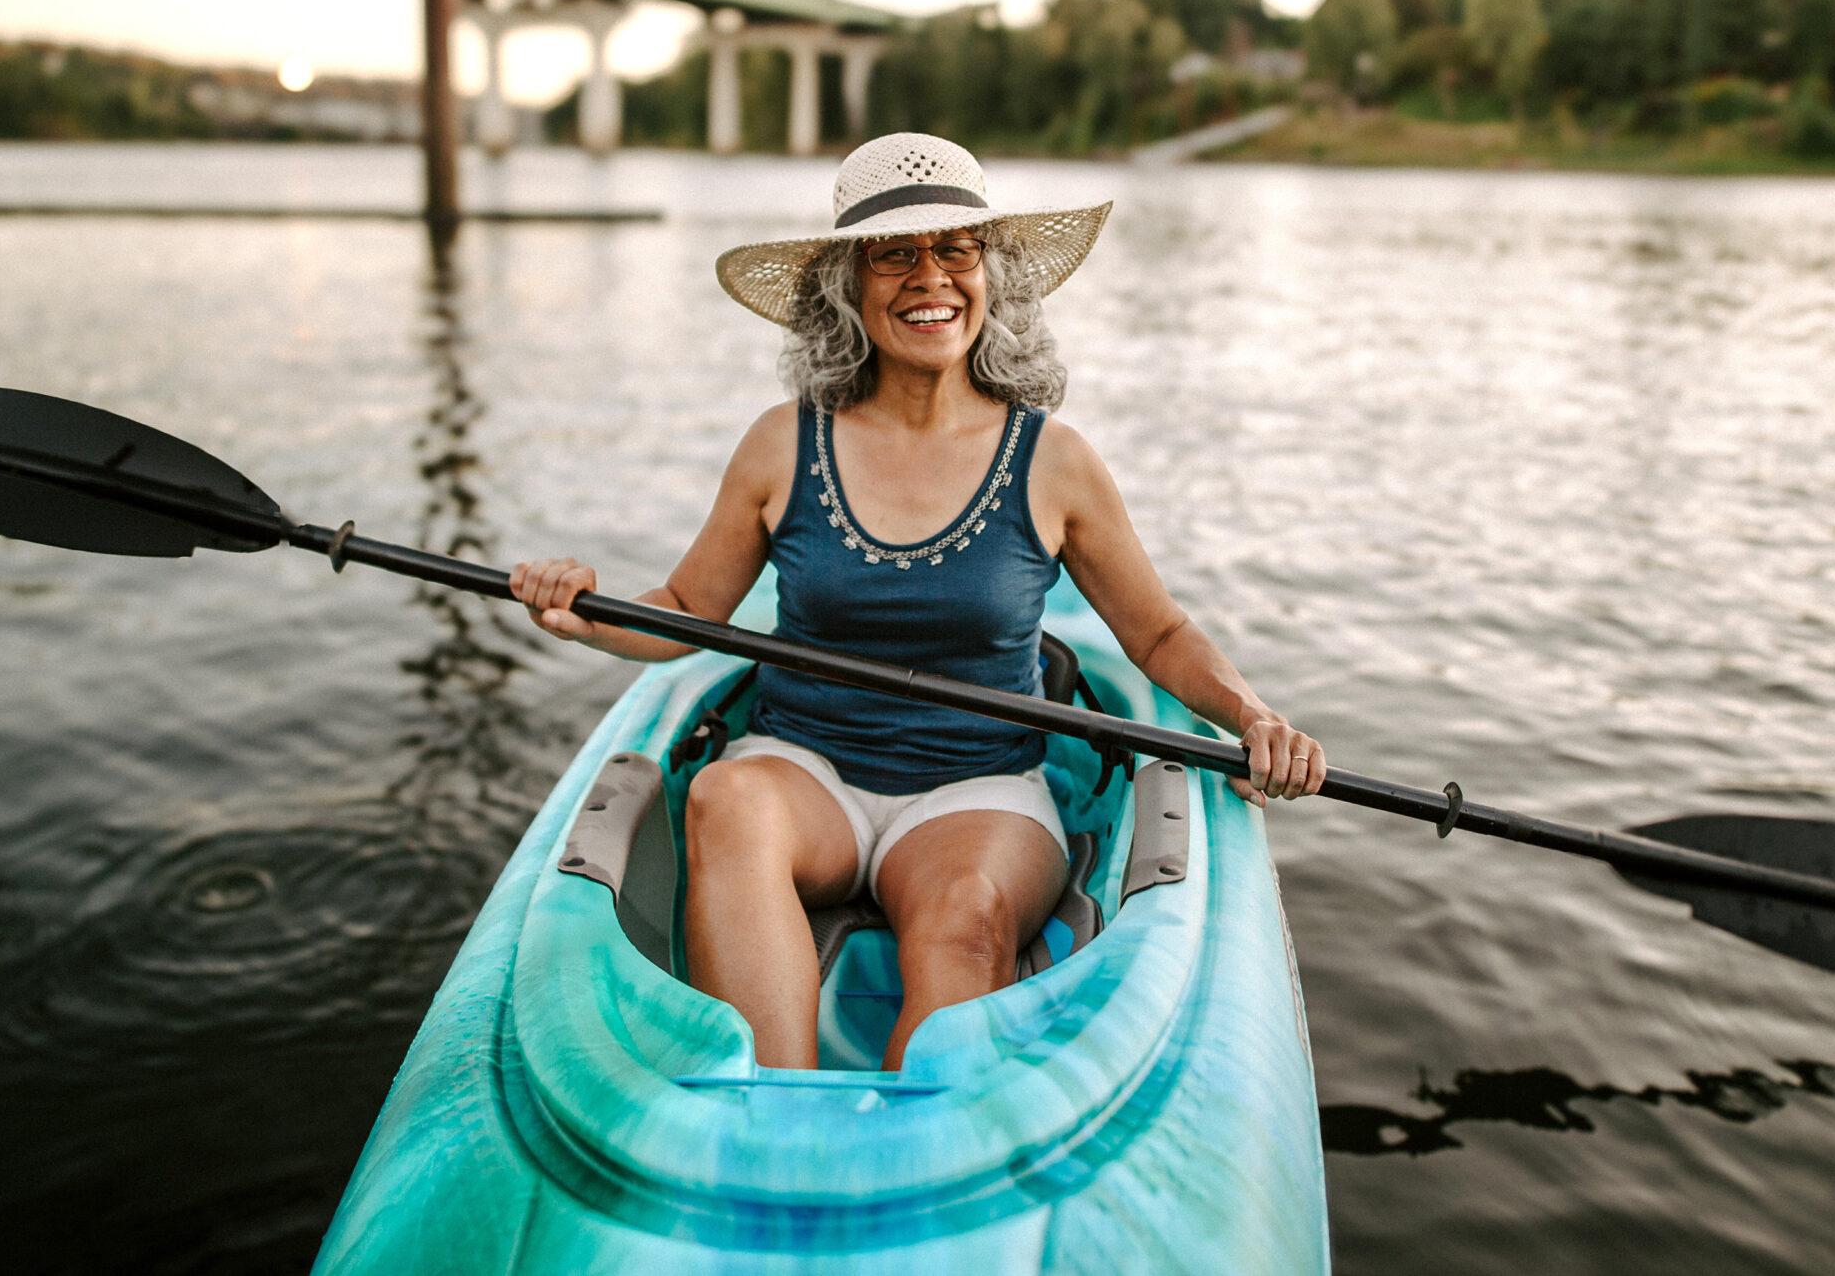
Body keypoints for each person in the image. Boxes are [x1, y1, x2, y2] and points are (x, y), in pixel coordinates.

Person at [510, 132, 1327, 1071]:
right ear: (848, 290)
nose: (928, 277)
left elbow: (1159, 631)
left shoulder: (1054, 461)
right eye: (894, 254)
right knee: (726, 797)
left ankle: (913, 1133)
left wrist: (1254, 715)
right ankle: (770, 1112)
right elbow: (689, 606)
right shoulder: (783, 445)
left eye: (955, 250)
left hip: (979, 790)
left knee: (967, 915)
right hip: (803, 768)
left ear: (992, 276)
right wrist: (583, 612)